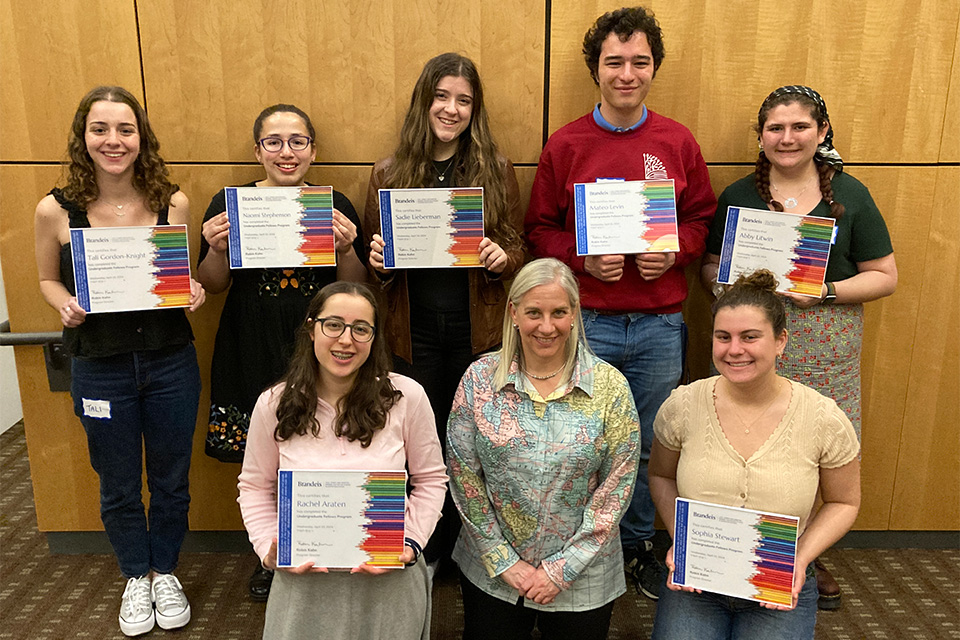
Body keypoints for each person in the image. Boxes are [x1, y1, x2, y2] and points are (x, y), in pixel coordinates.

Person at [524, 6, 717, 600]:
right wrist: (582, 258)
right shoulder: (567, 144)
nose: (627, 73)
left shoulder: (677, 141)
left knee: (649, 443)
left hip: (660, 321)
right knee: (584, 440)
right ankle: (584, 545)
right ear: (596, 69)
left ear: (654, 68)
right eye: (615, 62)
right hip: (590, 324)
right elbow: (538, 228)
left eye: (640, 62)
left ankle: (635, 546)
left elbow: (702, 219)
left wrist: (677, 252)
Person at [700, 85, 896, 608]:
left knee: (811, 449)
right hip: (751, 342)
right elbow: (708, 267)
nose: (786, 138)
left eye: (799, 127)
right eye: (775, 129)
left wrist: (824, 291)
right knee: (749, 442)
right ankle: (734, 551)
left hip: (825, 339)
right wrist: (726, 288)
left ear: (822, 132)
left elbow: (885, 276)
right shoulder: (739, 195)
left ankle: (803, 554)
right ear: (761, 137)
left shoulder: (850, 196)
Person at [34, 86, 205, 637]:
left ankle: (167, 572)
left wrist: (194, 291)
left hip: (170, 362)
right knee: (118, 482)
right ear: (83, 137)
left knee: (172, 478)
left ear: (141, 137)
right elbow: (46, 278)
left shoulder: (171, 201)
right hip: (100, 366)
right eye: (100, 129)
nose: (113, 141)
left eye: (125, 129)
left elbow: (180, 278)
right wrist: (64, 303)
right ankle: (136, 573)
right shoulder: (55, 209)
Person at [197, 104, 366, 600]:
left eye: (297, 141)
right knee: (265, 455)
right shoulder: (229, 205)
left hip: (322, 346)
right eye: (274, 141)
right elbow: (212, 285)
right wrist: (213, 250)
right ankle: (271, 554)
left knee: (321, 443)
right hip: (250, 339)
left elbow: (358, 290)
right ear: (258, 151)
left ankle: (326, 541)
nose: (286, 151)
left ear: (313, 150)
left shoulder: (332, 204)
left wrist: (349, 249)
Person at [364, 52, 525, 567]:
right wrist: (379, 264)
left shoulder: (495, 169)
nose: (451, 109)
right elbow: (375, 270)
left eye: (464, 100)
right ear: (423, 102)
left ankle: (471, 547)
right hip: (413, 333)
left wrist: (504, 257)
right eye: (441, 97)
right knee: (418, 440)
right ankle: (425, 545)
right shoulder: (388, 172)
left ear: (475, 110)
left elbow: (518, 245)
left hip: (477, 331)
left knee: (476, 443)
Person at [648, 270, 861, 639]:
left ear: (780, 342)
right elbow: (661, 476)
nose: (734, 350)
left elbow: (844, 501)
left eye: (750, 337)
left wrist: (801, 559)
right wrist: (679, 538)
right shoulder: (683, 405)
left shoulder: (823, 416)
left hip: (776, 579)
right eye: (723, 337)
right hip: (699, 580)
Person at [237, 281, 447, 640]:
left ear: (374, 338)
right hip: (304, 585)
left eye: (361, 329)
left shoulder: (406, 397)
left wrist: (411, 543)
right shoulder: (274, 404)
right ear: (311, 328)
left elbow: (431, 480)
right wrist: (268, 546)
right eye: (333, 324)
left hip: (388, 582)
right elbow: (255, 486)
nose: (346, 340)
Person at [447, 258, 640, 640]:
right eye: (534, 312)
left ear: (574, 315)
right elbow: (463, 476)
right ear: (514, 313)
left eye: (559, 312)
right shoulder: (478, 380)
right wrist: (504, 562)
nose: (546, 326)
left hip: (583, 578)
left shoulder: (610, 387)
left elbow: (616, 488)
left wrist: (561, 569)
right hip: (493, 573)